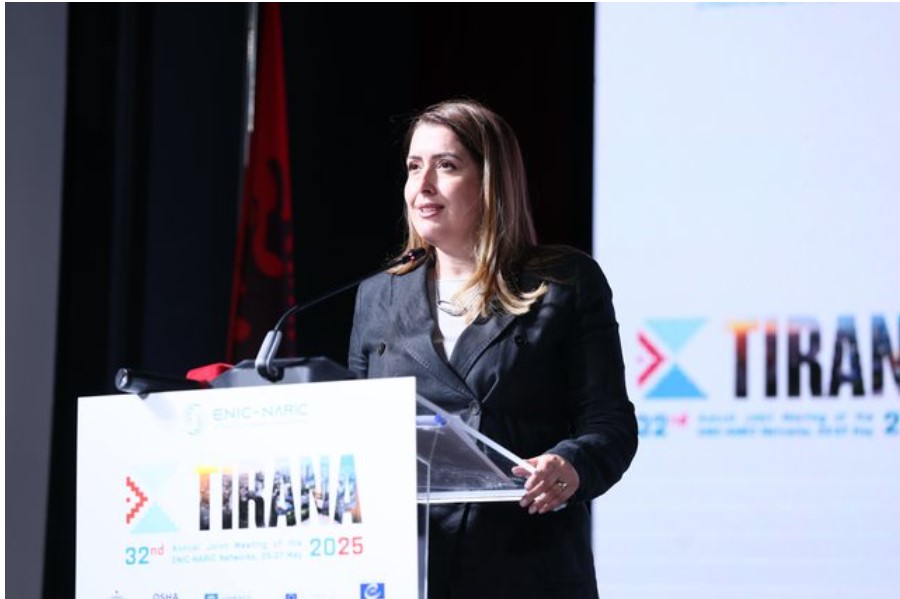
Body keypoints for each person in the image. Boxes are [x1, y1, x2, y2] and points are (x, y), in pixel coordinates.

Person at [348, 99, 638, 599]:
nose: (423, 185)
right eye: (414, 167)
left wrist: (569, 465)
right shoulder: (378, 296)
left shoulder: (564, 282)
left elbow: (610, 425)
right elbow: (355, 438)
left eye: (446, 165)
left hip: (525, 568)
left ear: (491, 183)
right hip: (410, 570)